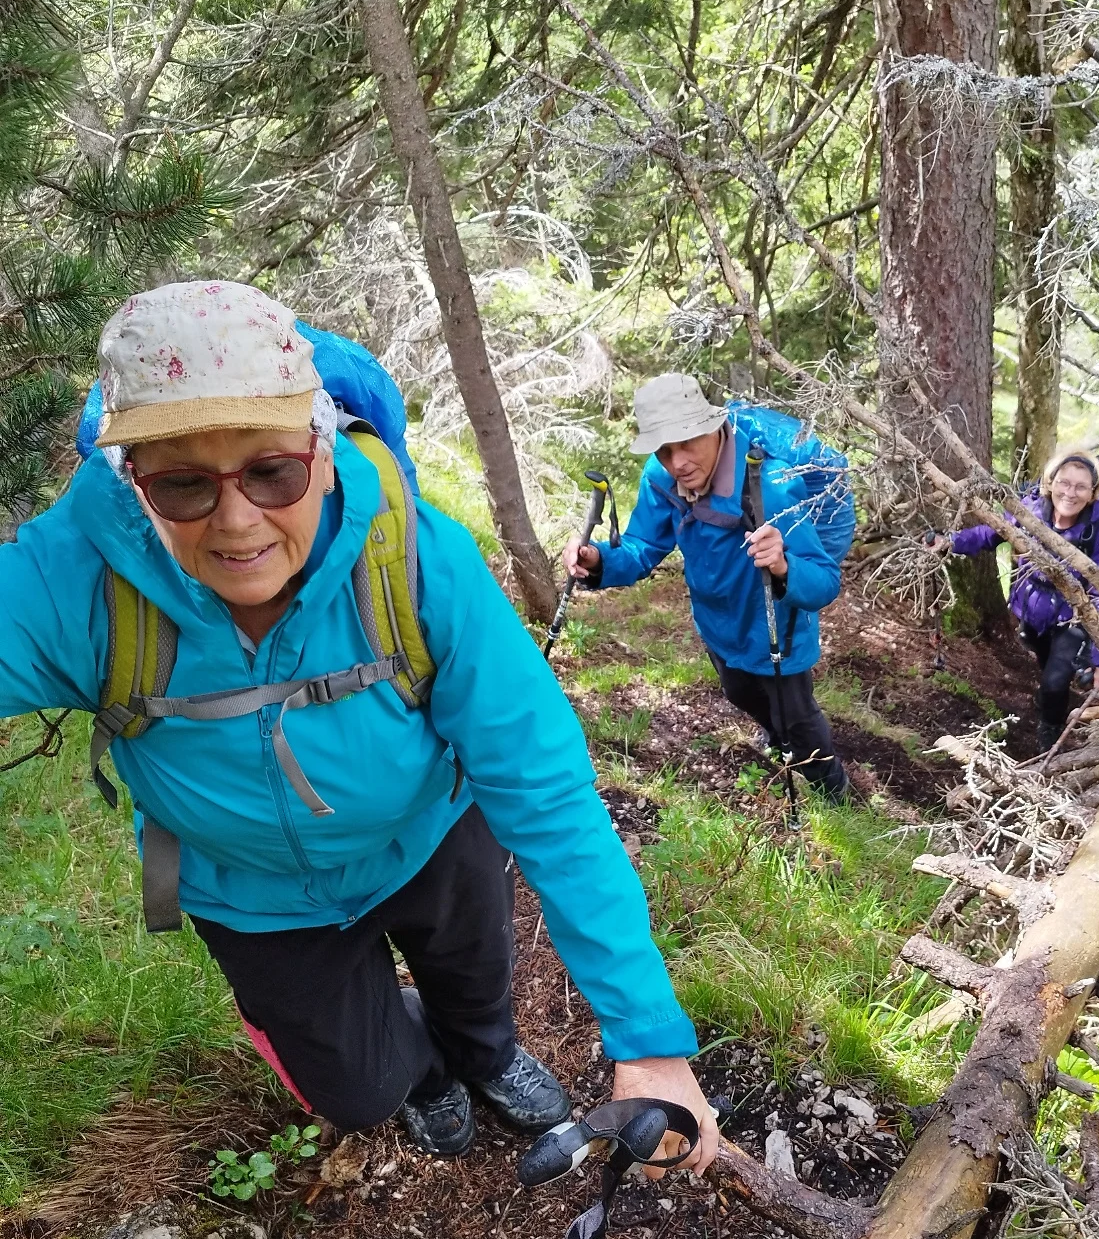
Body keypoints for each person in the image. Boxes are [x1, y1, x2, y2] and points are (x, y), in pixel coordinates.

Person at [0, 281, 719, 1172]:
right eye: (183, 483)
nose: (236, 521)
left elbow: (548, 791)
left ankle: (485, 1058)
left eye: (271, 472)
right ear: (131, 476)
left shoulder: (417, 560)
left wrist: (646, 1039)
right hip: (251, 889)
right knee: (360, 1090)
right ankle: (422, 1081)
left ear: (324, 448)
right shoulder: (73, 581)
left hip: (430, 833)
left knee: (477, 988)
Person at [565, 373, 852, 800]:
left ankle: (836, 792)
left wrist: (784, 565)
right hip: (716, 613)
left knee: (795, 715)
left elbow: (824, 580)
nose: (676, 461)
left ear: (714, 428)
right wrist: (600, 561)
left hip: (772, 616)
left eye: (686, 442)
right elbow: (644, 545)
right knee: (737, 689)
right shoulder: (661, 477)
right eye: (664, 449)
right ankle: (778, 741)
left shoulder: (769, 487)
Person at [941, 450, 1099, 750]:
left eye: (1081, 487)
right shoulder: (1030, 510)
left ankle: (1049, 734)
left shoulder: (1098, 527)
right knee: (1044, 662)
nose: (1070, 493)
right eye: (1064, 483)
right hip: (1032, 610)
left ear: (1093, 493)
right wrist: (951, 541)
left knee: (1055, 680)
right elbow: (991, 532)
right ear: (1050, 483)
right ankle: (1051, 694)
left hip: (1072, 616)